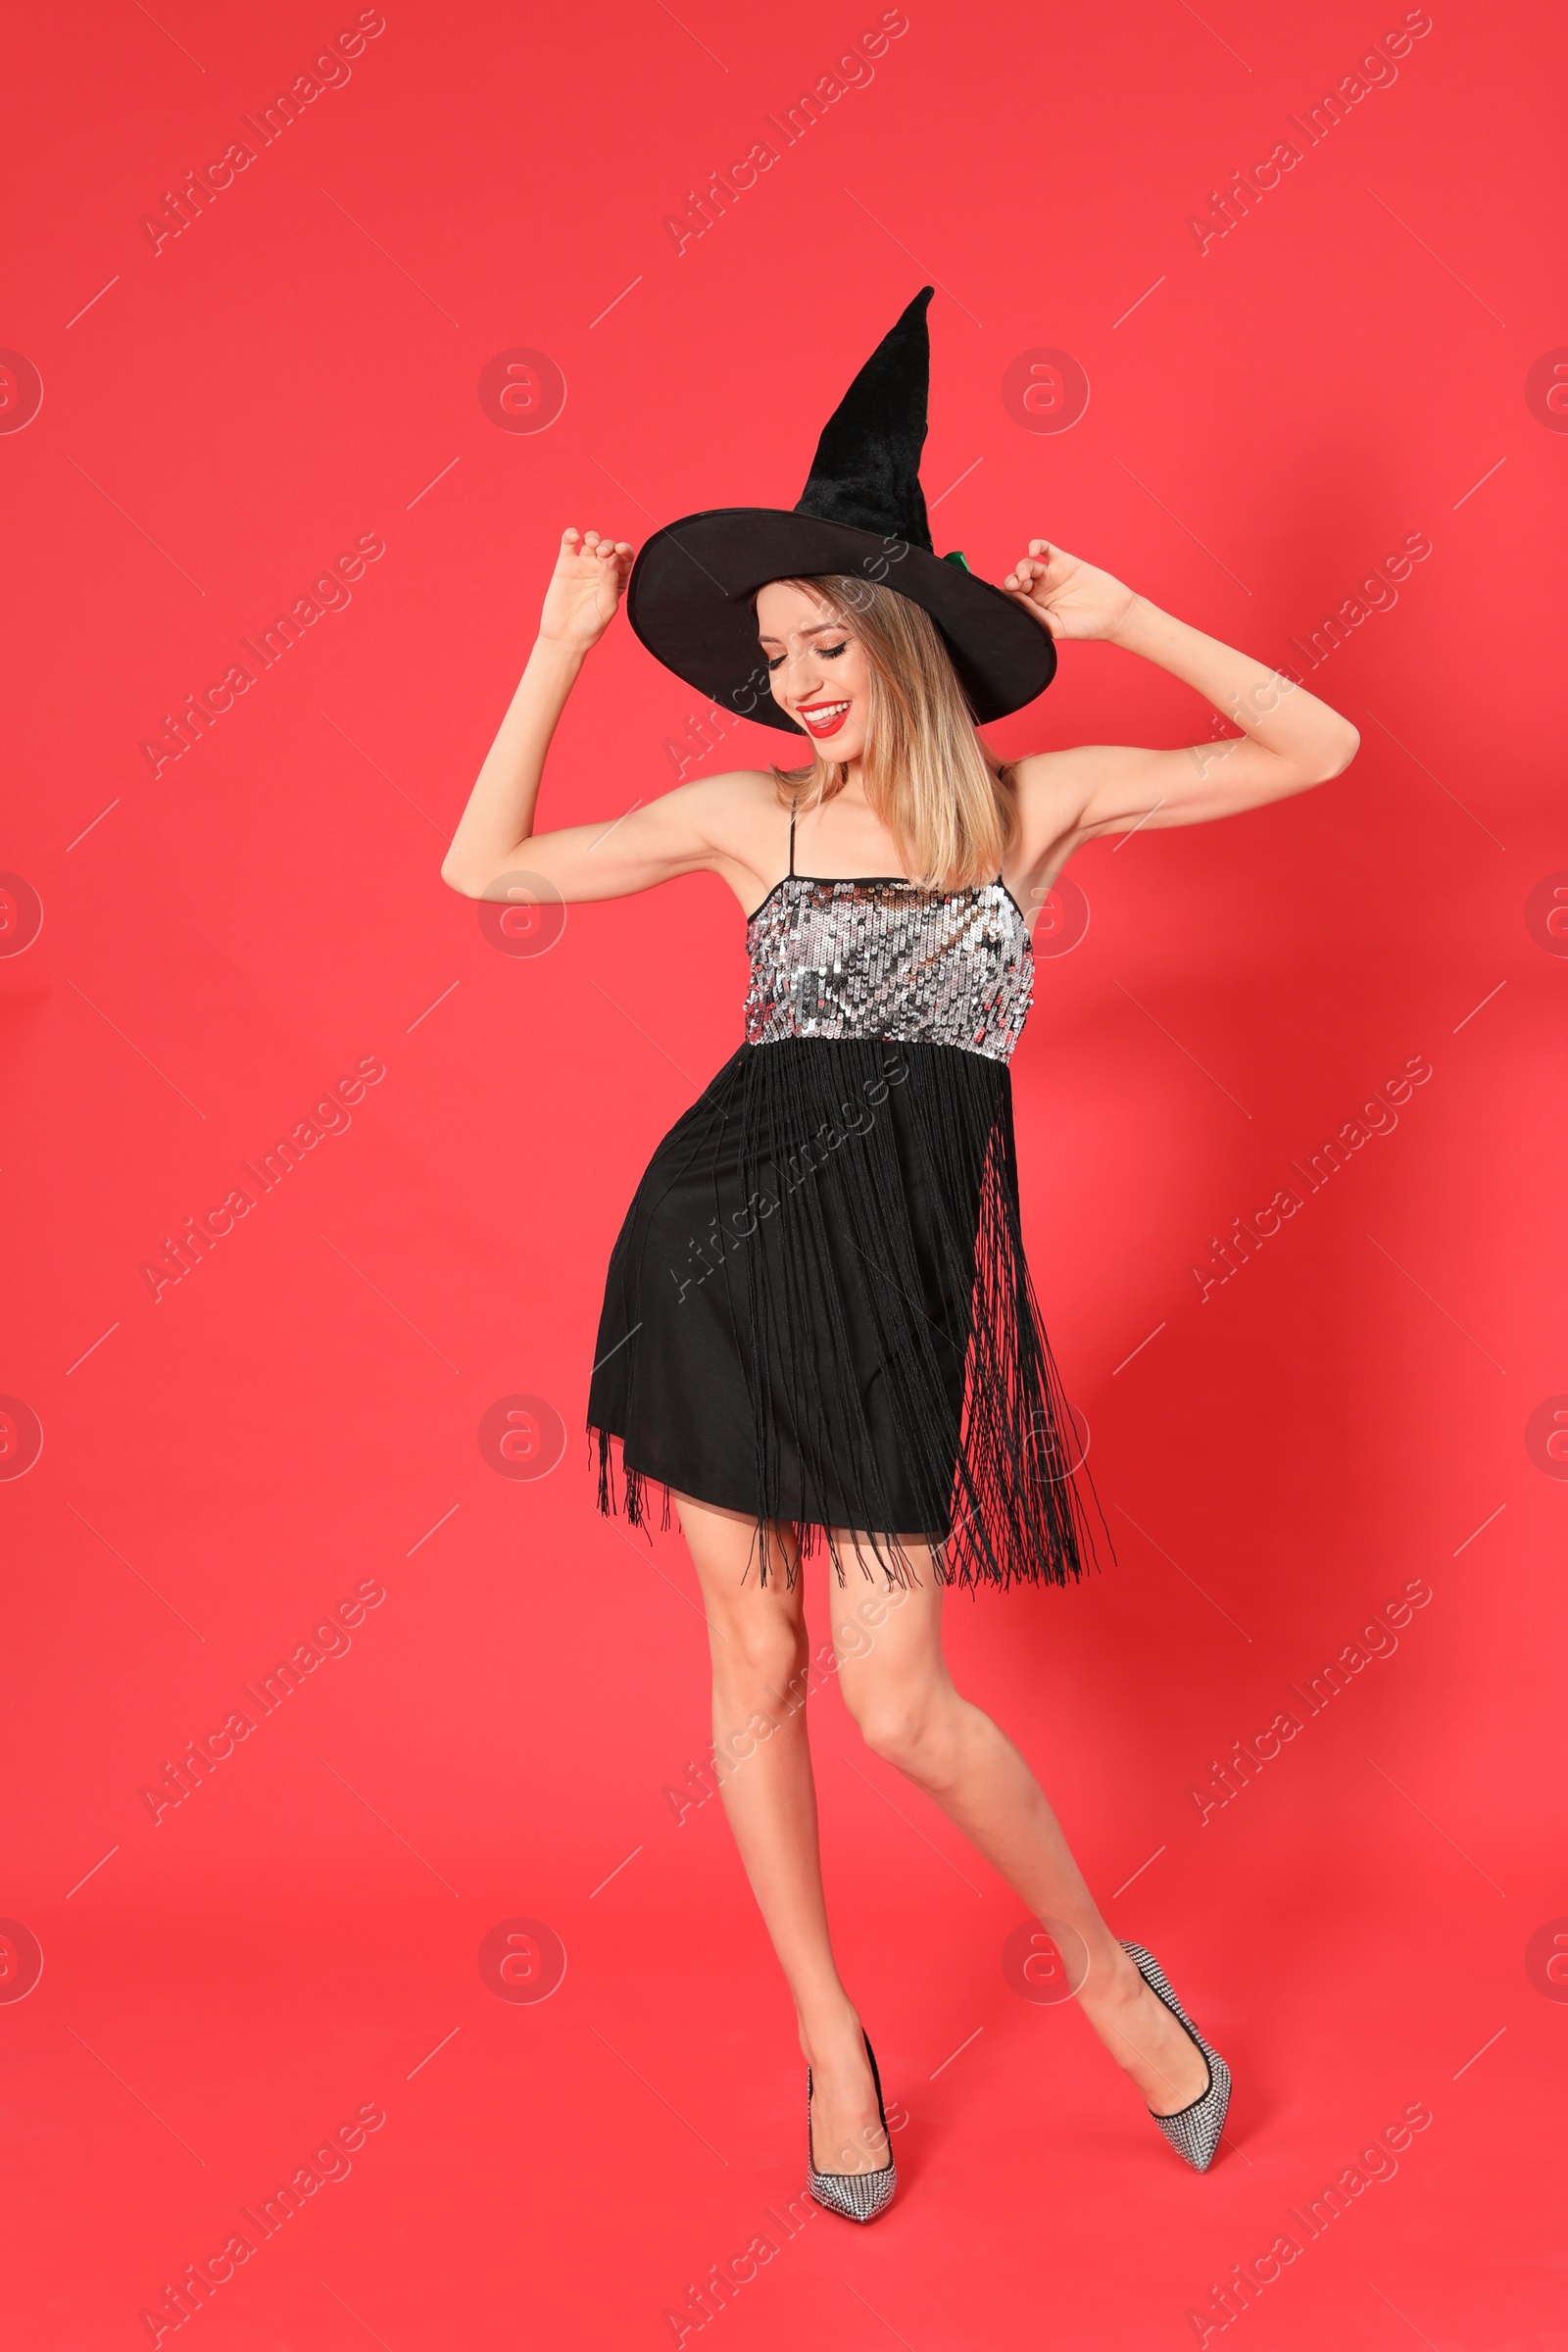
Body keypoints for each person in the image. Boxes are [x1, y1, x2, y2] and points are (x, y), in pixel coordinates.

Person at [441, 290, 1357, 2217]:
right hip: (710, 1251)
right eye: (769, 653)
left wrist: (1120, 624)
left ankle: (1110, 1983)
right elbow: (485, 869)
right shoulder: (743, 826)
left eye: (819, 639)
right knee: (753, 1664)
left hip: (892, 1286)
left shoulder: (1029, 813)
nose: (790, 680)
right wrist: (548, 655)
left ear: (905, 640)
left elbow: (1319, 745)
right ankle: (822, 2038)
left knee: (895, 1700)